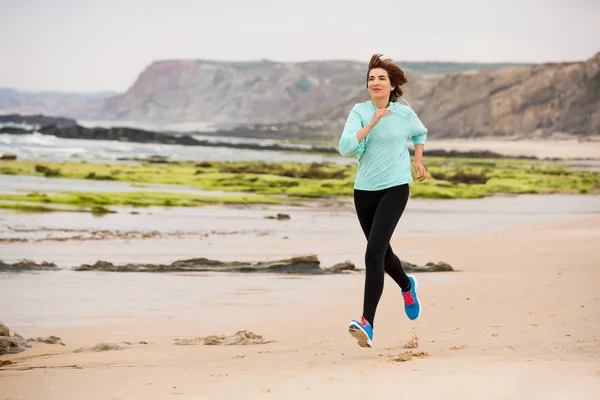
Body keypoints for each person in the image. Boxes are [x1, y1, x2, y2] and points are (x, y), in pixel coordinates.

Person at [338, 53, 428, 348]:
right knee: (383, 253)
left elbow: (420, 132)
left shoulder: (403, 113)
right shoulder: (360, 112)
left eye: (381, 78)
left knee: (372, 254)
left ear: (392, 86)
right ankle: (406, 285)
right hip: (364, 191)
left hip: (395, 188)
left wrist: (418, 159)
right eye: (371, 79)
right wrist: (373, 122)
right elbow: (346, 147)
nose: (375, 82)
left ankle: (367, 323)